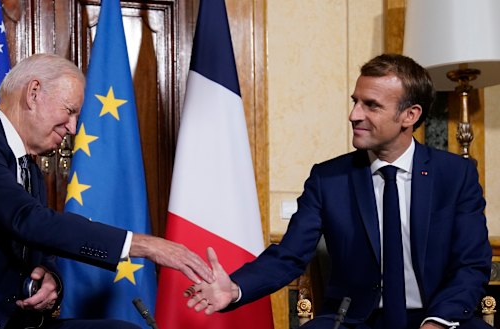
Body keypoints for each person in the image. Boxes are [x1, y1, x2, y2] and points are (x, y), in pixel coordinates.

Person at [185, 54, 493, 329]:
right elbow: (289, 256)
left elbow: (472, 263)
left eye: (371, 105)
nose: (354, 115)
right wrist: (236, 287)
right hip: (355, 319)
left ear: (409, 115)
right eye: (355, 101)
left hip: (436, 316)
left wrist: (437, 323)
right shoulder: (328, 178)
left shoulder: (456, 175)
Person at [0, 53, 214, 329]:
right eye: (69, 112)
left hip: (10, 319)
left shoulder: (29, 169)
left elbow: (40, 252)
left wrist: (51, 282)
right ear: (33, 93)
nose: (73, 128)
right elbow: (27, 220)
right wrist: (145, 246)